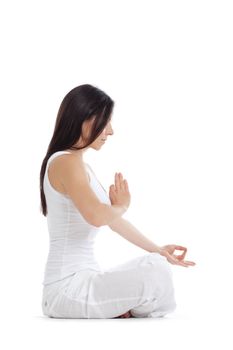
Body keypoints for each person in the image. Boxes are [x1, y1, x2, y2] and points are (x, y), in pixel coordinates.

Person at [39, 84, 196, 319]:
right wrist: (120, 206)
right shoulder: (66, 162)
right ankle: (128, 308)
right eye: (105, 121)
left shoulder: (80, 165)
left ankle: (123, 307)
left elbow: (114, 221)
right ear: (84, 119)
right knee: (156, 272)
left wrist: (159, 249)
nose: (110, 131)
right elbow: (98, 216)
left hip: (85, 279)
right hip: (66, 290)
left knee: (155, 262)